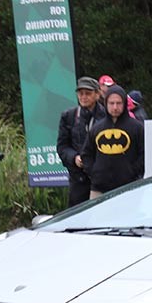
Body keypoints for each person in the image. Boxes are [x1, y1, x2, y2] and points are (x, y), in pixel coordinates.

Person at [82, 85, 144, 198]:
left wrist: (133, 172)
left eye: (119, 103)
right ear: (106, 103)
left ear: (124, 103)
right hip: (99, 188)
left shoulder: (137, 127)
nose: (115, 107)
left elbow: (144, 153)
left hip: (129, 188)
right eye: (111, 103)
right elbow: (86, 154)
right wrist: (95, 173)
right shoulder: (97, 128)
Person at [57, 76, 106, 206]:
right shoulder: (68, 116)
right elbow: (62, 147)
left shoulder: (107, 116)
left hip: (102, 176)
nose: (84, 97)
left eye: (88, 93)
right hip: (78, 178)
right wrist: (74, 158)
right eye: (81, 93)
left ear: (97, 94)